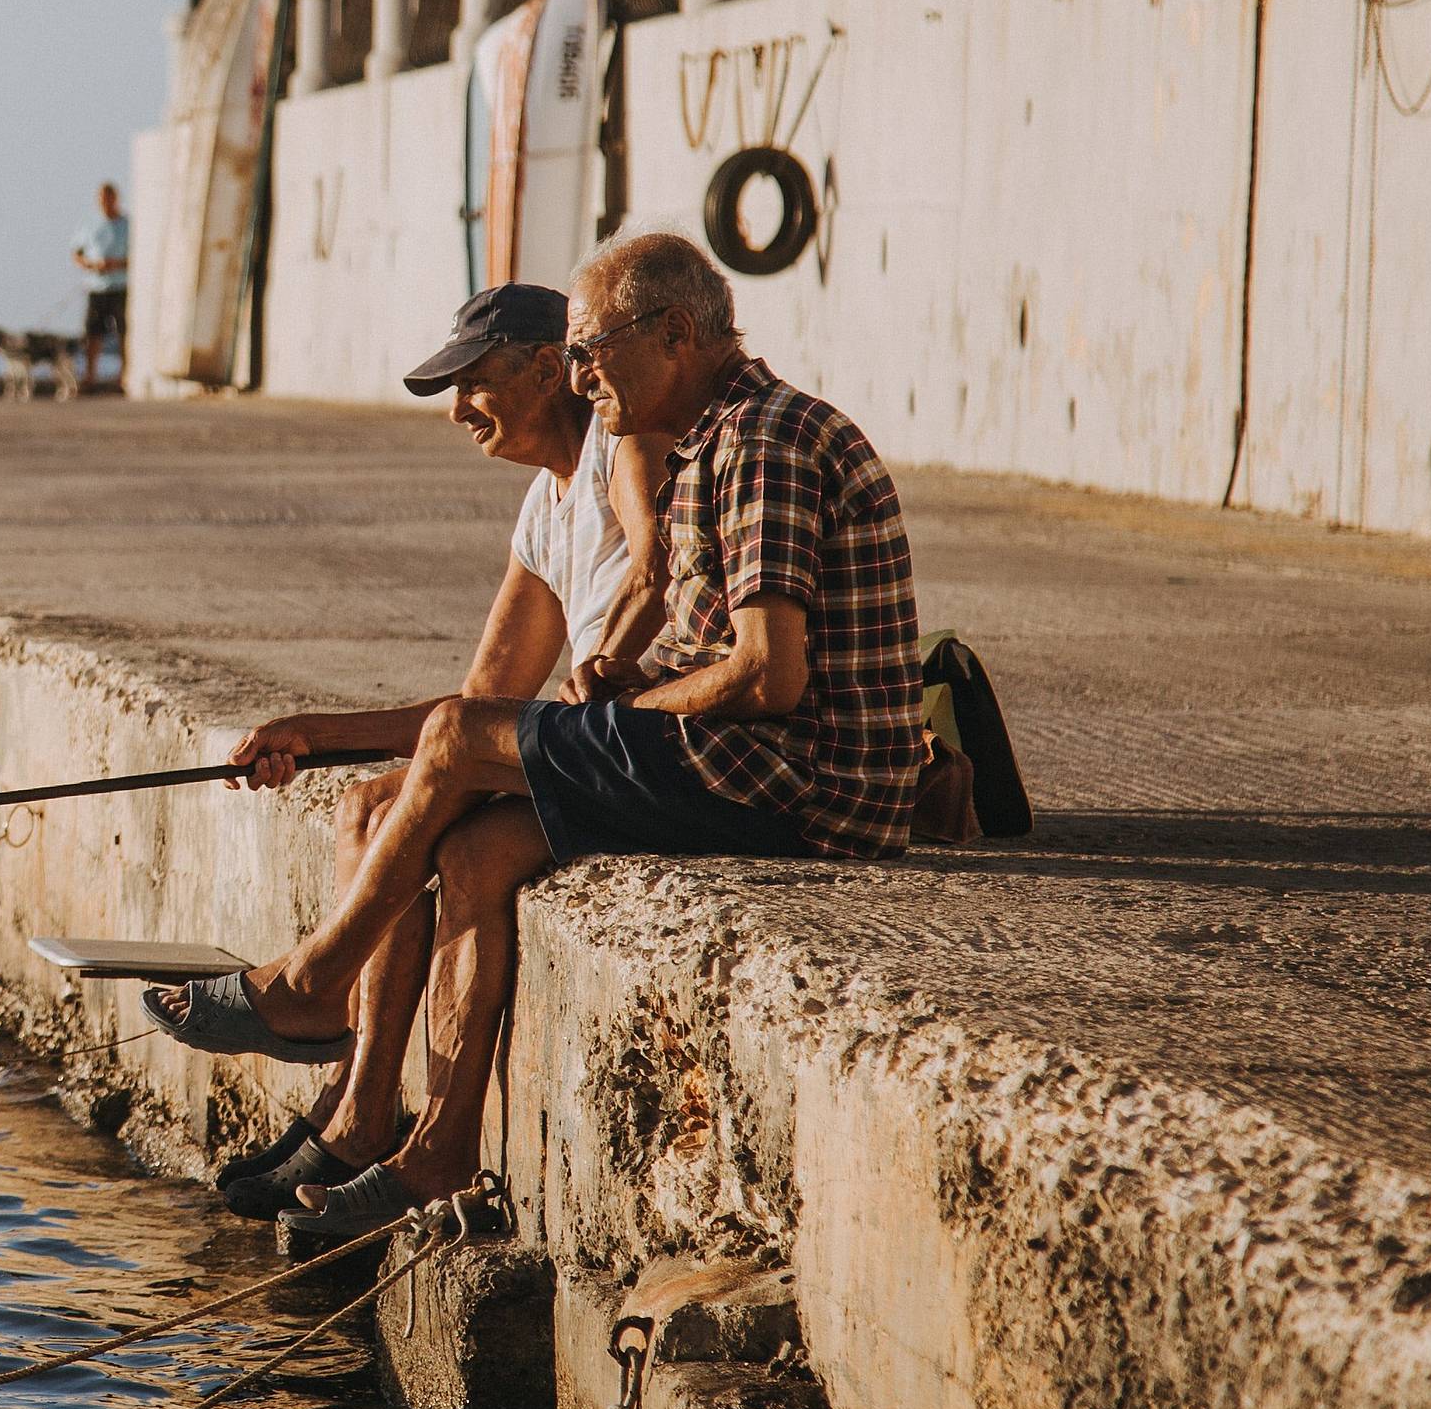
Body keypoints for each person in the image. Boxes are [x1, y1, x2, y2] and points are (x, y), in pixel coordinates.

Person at [146, 233, 922, 1244]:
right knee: (474, 842)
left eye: (592, 350)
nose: (581, 369)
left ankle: (309, 985)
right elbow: (667, 647)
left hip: (800, 784)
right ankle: (431, 1144)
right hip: (758, 763)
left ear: (676, 335)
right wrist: (623, 681)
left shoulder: (754, 444)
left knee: (463, 749)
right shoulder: (712, 439)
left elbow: (769, 676)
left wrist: (617, 708)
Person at [131, 282, 663, 1235]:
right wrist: (324, 732)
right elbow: (483, 701)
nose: (458, 411)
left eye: (474, 383)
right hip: (583, 741)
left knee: (462, 846)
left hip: (643, 738)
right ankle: (360, 1114)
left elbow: (513, 700)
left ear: (549, 370)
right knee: (371, 806)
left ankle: (310, 992)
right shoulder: (546, 506)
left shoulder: (623, 459)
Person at [71, 183, 130, 394]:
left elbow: (140, 255)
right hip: (96, 287)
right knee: (93, 333)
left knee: (124, 332)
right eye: (102, 199)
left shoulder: (128, 224)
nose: (105, 202)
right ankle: (90, 376)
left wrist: (117, 264)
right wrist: (91, 265)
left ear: (116, 199)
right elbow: (76, 254)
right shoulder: (89, 224)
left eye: (109, 198)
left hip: (121, 286)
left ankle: (124, 375)